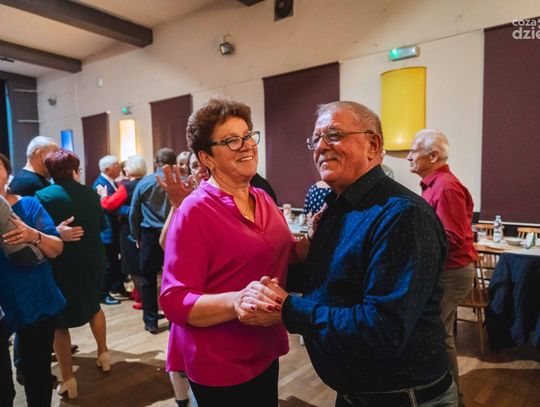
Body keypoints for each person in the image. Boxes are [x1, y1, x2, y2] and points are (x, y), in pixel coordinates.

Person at [239, 101, 457, 407]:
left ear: (373, 145)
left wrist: (288, 309)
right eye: (316, 139)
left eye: (334, 135)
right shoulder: (338, 207)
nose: (320, 146)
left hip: (401, 397)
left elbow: (382, 329)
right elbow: (327, 278)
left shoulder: (402, 215)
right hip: (357, 393)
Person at [159, 98, 311, 407]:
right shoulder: (195, 211)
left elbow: (284, 255)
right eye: (231, 140)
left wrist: (312, 239)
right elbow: (174, 299)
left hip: (263, 346)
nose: (247, 146)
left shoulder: (263, 198)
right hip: (220, 359)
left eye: (248, 136)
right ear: (206, 157)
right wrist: (236, 300)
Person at [408, 129, 477, 405]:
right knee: (442, 335)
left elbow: (452, 237)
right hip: (449, 270)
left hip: (452, 271)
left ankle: (447, 397)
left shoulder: (446, 187)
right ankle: (452, 396)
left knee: (437, 334)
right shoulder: (435, 185)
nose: (409, 156)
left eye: (414, 151)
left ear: (433, 156)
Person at [36, 149, 111, 399]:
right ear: (74, 169)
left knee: (59, 320)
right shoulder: (90, 193)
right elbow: (101, 225)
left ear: (49, 171)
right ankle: (104, 354)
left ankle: (69, 379)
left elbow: (41, 231)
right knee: (94, 305)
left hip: (62, 260)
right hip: (93, 257)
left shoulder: (42, 196)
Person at [0, 153, 66, 407]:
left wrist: (33, 235)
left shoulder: (28, 205)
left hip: (35, 298)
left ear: (7, 172)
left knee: (37, 372)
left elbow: (56, 248)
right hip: (4, 304)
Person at [157, 151, 210, 407]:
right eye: (194, 165)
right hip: (186, 292)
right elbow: (164, 242)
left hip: (212, 292)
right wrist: (178, 206)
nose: (200, 169)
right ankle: (182, 401)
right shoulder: (185, 200)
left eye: (203, 164)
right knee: (182, 359)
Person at [129, 148, 176, 333]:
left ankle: (150, 321)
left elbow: (134, 212)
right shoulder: (181, 182)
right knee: (173, 279)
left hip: (150, 235)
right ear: (173, 162)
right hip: (174, 234)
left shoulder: (145, 182)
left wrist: (136, 236)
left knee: (147, 279)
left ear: (156, 162)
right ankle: (173, 321)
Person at [97, 155, 148, 310]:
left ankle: (139, 296)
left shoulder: (126, 185)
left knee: (131, 264)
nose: (122, 168)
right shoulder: (147, 181)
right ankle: (120, 291)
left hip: (128, 228)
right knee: (133, 263)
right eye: (117, 165)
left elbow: (109, 204)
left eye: (124, 166)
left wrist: (104, 197)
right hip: (140, 228)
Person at [93, 155, 124, 305]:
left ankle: (118, 287)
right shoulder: (100, 184)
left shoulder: (113, 182)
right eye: (117, 166)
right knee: (109, 263)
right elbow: (108, 208)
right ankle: (103, 293)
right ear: (107, 169)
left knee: (116, 262)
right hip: (107, 230)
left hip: (115, 229)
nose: (120, 168)